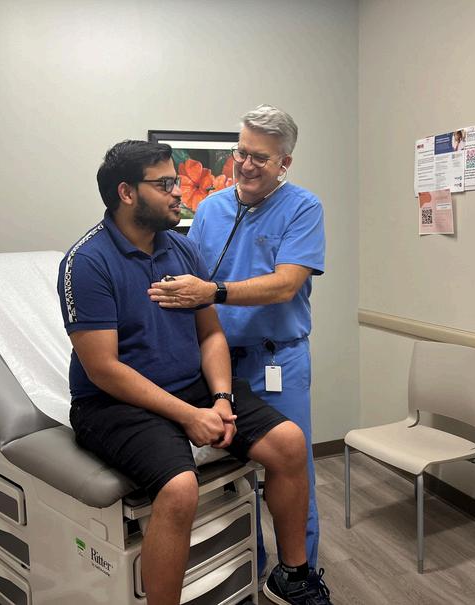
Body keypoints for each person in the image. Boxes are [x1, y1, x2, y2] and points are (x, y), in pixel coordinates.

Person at [58, 140, 333, 605]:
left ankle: (292, 577)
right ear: (127, 192)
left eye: (175, 181)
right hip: (112, 404)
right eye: (165, 184)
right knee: (180, 487)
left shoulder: (182, 251)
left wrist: (221, 398)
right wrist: (188, 416)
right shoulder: (87, 262)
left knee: (289, 444)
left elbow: (210, 335)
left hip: (192, 387)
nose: (177, 192)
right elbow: (102, 370)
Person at [147, 105, 325, 576]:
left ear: (284, 163)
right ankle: (250, 567)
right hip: (219, 365)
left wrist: (214, 292)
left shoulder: (303, 208)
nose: (245, 165)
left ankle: (299, 576)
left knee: (293, 468)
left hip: (277, 362)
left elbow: (285, 285)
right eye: (241, 152)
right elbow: (192, 275)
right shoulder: (210, 209)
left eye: (260, 158)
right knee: (233, 478)